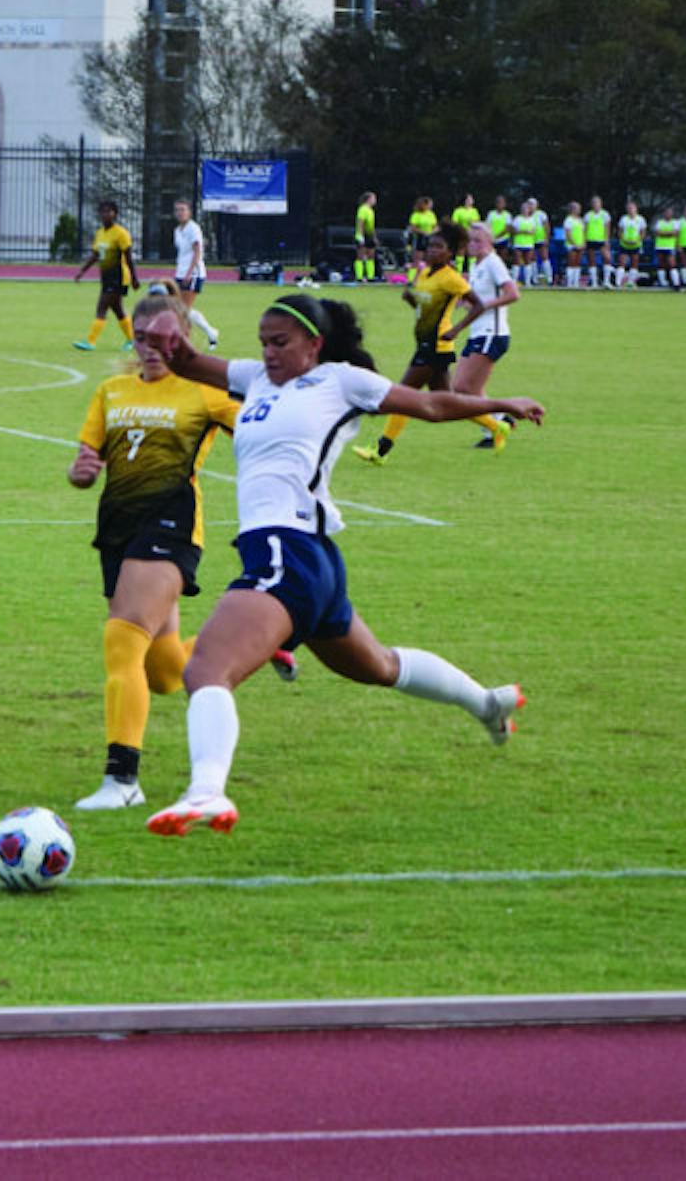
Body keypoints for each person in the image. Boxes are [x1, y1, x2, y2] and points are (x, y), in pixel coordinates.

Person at [132, 293, 541, 836]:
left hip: (288, 550)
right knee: (378, 666)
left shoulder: (341, 381)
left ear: (314, 344)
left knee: (207, 669)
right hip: (313, 560)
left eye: (281, 343)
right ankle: (486, 703)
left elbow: (431, 406)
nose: (269, 353)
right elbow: (186, 363)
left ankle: (207, 790)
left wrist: (500, 404)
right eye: (263, 343)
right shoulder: (255, 379)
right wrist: (167, 336)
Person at [66, 292, 245, 811]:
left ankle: (123, 780)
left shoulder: (206, 393)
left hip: (170, 526)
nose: (151, 348)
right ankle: (258, 643)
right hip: (118, 529)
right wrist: (79, 473)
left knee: (121, 642)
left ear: (183, 337)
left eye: (163, 338)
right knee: (165, 672)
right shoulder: (110, 391)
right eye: (142, 338)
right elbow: (85, 461)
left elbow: (264, 428)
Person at [353, 223, 467, 466]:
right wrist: (411, 299)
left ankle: (381, 450)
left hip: (436, 345)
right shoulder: (424, 273)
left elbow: (477, 304)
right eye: (431, 246)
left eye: (440, 247)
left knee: (402, 395)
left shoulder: (452, 279)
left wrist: (456, 330)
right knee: (448, 402)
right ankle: (496, 424)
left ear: (451, 252)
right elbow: (423, 306)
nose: (433, 251)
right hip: (424, 342)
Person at [449, 222, 522, 452]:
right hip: (478, 333)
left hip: (493, 333)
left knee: (462, 389)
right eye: (470, 240)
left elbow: (513, 293)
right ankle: (500, 421)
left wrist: (485, 305)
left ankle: (497, 425)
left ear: (490, 242)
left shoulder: (493, 262)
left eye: (478, 240)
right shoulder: (477, 265)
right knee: (467, 390)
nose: (473, 245)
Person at [73, 200, 138, 350]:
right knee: (118, 310)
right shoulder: (100, 233)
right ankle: (132, 339)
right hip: (106, 276)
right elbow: (96, 255)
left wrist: (134, 278)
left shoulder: (121, 233)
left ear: (115, 214)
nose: (105, 214)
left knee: (102, 307)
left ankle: (90, 341)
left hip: (119, 276)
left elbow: (128, 257)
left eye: (109, 211)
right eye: (103, 211)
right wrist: (82, 271)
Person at [170, 199, 217, 347]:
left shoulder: (193, 229)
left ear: (189, 212)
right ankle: (210, 332)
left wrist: (189, 273)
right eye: (177, 210)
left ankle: (184, 341)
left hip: (193, 274)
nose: (180, 213)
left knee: (182, 310)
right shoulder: (177, 230)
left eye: (183, 209)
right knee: (180, 308)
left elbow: (197, 252)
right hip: (180, 272)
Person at [614, 199, 645, 288]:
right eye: (629, 208)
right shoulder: (624, 219)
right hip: (625, 244)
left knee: (634, 263)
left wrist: (638, 240)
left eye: (632, 208)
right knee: (622, 263)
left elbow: (642, 232)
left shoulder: (640, 219)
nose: (630, 210)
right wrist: (624, 239)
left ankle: (631, 282)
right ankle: (618, 283)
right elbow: (620, 232)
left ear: (636, 209)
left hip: (636, 244)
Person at [406, 196, 439, 277]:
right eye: (429, 204)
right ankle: (411, 279)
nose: (431, 205)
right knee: (416, 260)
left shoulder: (431, 214)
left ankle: (426, 277)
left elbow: (435, 226)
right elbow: (413, 227)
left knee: (429, 259)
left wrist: (432, 232)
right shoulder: (416, 215)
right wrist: (423, 232)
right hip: (419, 238)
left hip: (429, 238)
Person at [583, 196, 612, 288]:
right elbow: (585, 229)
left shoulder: (605, 215)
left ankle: (606, 281)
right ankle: (594, 282)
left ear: (601, 203)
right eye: (594, 203)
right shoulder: (588, 215)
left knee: (607, 258)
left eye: (597, 202)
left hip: (601, 240)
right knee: (591, 260)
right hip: (590, 240)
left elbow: (607, 228)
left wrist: (606, 240)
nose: (596, 205)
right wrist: (584, 240)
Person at [353, 191, 379, 284]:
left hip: (369, 235)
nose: (375, 201)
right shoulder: (362, 209)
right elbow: (361, 222)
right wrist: (360, 235)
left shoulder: (370, 210)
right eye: (373, 198)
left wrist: (374, 237)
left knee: (371, 255)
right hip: (363, 235)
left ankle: (370, 276)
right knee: (360, 255)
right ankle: (359, 277)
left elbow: (371, 226)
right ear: (368, 199)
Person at [651, 205, 680, 288]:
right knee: (661, 264)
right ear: (664, 214)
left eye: (670, 213)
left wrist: (663, 233)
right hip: (660, 246)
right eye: (666, 212)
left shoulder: (675, 222)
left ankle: (676, 283)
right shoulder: (659, 222)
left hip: (670, 246)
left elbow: (675, 233)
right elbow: (657, 233)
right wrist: (669, 233)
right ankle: (662, 283)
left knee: (672, 264)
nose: (668, 214)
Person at [560, 200, 585, 287]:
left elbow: (583, 232)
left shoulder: (580, 220)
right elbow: (568, 234)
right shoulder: (568, 220)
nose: (578, 210)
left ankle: (576, 282)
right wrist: (575, 244)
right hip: (571, 245)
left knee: (578, 263)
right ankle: (570, 283)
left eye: (578, 208)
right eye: (576, 208)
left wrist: (583, 243)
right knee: (571, 263)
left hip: (580, 244)